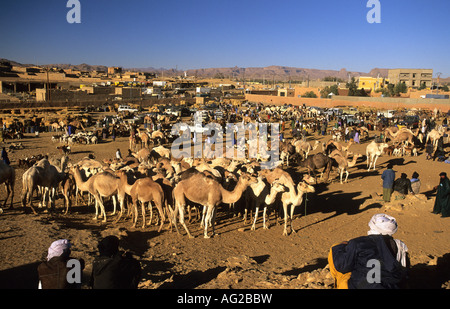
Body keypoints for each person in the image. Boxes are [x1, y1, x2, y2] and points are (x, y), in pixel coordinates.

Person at [328, 213, 410, 289]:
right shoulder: (399, 246)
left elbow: (342, 267)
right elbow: (405, 272)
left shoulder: (358, 242)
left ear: (372, 224)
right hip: (390, 286)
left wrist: (340, 246)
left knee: (336, 251)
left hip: (360, 286)